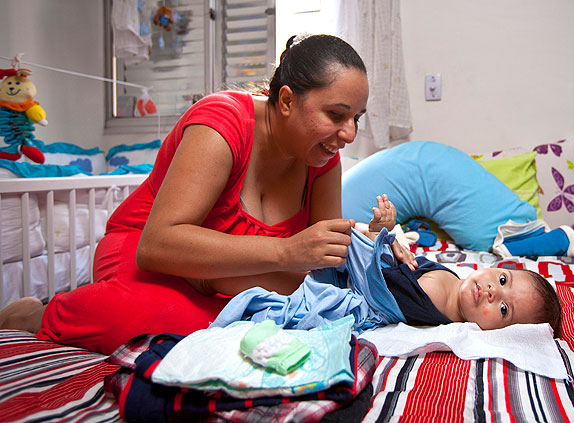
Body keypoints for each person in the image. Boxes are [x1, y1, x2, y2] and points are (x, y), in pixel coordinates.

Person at [0, 34, 371, 355]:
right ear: (287, 101)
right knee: (178, 329)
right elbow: (156, 245)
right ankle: (42, 315)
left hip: (241, 276)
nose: (349, 133)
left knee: (272, 323)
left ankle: (218, 295)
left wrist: (371, 248)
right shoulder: (222, 123)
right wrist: (287, 252)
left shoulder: (322, 158)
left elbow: (322, 270)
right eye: (337, 115)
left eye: (357, 117)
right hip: (154, 257)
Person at [211, 195, 563, 337]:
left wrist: (378, 243)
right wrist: (384, 236)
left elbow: (386, 290)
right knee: (337, 236)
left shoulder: (445, 315)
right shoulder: (454, 280)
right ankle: (221, 256)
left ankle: (212, 277)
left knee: (280, 289)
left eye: (503, 308)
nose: (490, 290)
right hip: (351, 272)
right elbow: (399, 269)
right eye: (502, 278)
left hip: (348, 289)